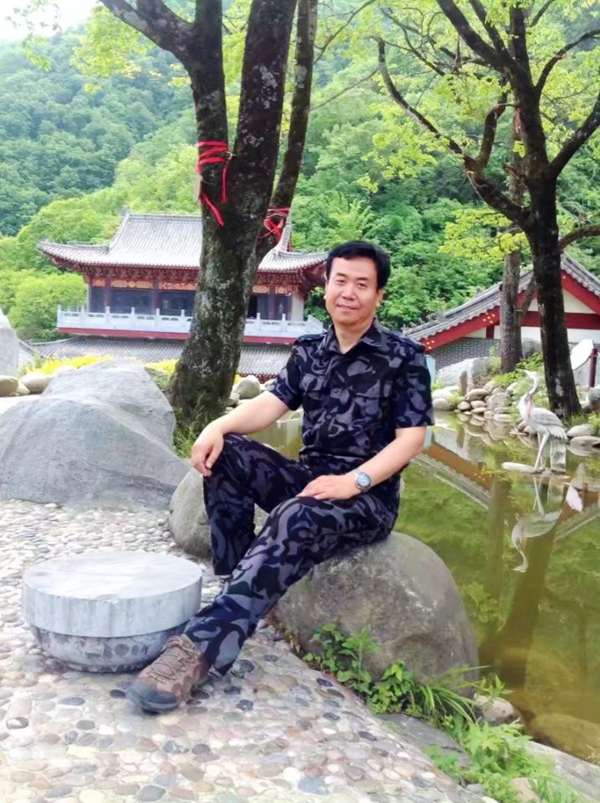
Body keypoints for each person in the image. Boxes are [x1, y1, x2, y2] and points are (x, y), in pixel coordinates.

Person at [128, 241, 434, 713]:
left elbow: (411, 439)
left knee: (296, 514)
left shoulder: (404, 357)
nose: (348, 292)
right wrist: (217, 427)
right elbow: (271, 405)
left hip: (365, 498)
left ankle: (200, 649)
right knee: (226, 454)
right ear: (326, 286)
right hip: (310, 479)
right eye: (340, 281)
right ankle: (238, 585)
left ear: (379, 296)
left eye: (362, 284)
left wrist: (353, 482)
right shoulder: (310, 351)